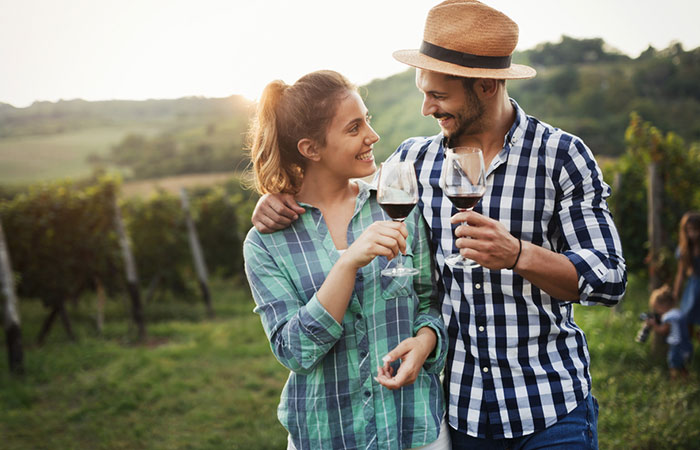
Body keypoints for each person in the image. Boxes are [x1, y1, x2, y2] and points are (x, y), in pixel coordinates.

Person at [251, 2, 627, 449]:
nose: (425, 107)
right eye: (423, 91)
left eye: (438, 95)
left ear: (486, 86)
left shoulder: (561, 157)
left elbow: (610, 278)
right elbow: (336, 187)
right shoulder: (413, 162)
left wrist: (519, 255)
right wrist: (276, 196)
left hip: (550, 402)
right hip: (463, 412)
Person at [242, 70, 451, 450]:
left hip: (413, 428)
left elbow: (428, 302)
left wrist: (425, 342)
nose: (372, 136)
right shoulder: (266, 242)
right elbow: (295, 352)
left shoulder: (395, 206)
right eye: (354, 128)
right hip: (328, 435)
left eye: (367, 120)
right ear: (311, 148)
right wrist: (346, 264)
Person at [647, 285, 693, 380]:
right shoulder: (679, 313)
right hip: (686, 345)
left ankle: (674, 383)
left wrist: (653, 325)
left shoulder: (669, 316)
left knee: (674, 366)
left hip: (677, 346)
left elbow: (663, 330)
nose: (657, 312)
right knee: (682, 366)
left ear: (664, 305)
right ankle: (686, 380)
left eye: (657, 309)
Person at [673, 211, 700, 343]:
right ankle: (688, 355)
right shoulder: (684, 249)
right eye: (689, 230)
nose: (693, 234)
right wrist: (675, 295)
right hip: (693, 287)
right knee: (687, 319)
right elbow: (681, 274)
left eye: (695, 230)